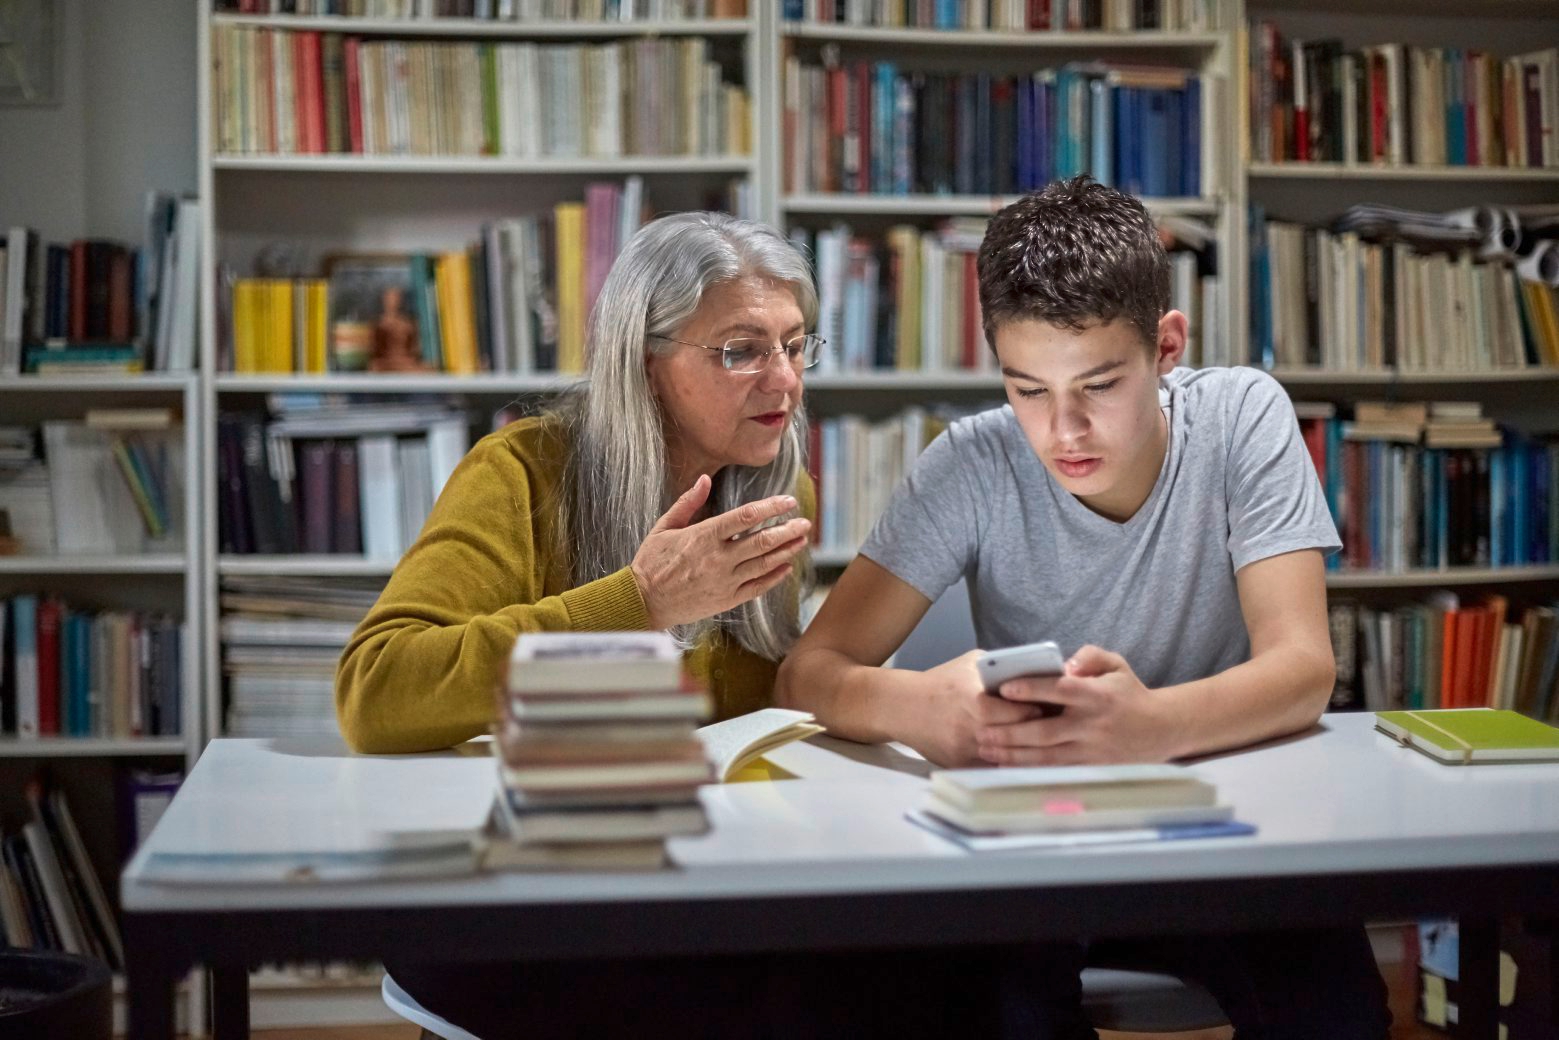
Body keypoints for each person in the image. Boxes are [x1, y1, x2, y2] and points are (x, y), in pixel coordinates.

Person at [335, 212, 1016, 1040]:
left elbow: (750, 706)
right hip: (522, 898)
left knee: (960, 964)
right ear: (646, 362)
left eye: (796, 346)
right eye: (741, 351)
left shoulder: (774, 496)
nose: (784, 382)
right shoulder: (518, 472)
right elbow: (377, 690)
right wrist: (640, 605)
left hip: (699, 882)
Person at [776, 176, 1393, 1040]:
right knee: (989, 1008)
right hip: (1034, 852)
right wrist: (921, 707)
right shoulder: (969, 464)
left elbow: (1303, 669)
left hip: (1224, 832)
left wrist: (1143, 728)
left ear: (1167, 344)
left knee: (1337, 1014)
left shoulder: (1242, 417)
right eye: (1027, 389)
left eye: (1099, 385)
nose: (1063, 431)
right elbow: (805, 674)